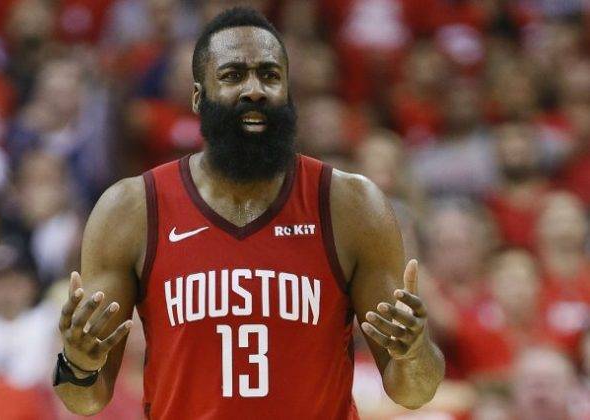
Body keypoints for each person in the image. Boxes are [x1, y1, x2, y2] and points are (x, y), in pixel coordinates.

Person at [53, 7, 444, 418]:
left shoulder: (350, 205)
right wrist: (77, 363)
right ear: (198, 96)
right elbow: (86, 399)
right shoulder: (133, 210)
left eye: (270, 75)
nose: (255, 89)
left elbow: (413, 392)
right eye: (233, 75)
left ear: (288, 93)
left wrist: (414, 352)